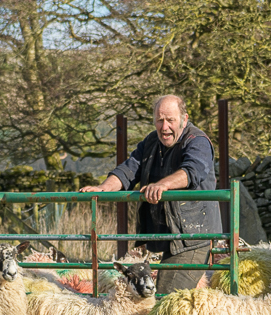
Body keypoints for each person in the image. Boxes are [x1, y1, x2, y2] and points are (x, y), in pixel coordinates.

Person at [81, 94, 220, 291]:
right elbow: (129, 170)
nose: (164, 127)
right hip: (170, 237)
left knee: (166, 293)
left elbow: (193, 171)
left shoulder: (197, 141)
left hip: (193, 238)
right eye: (160, 120)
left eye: (170, 120)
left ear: (184, 119)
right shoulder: (151, 142)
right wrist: (103, 188)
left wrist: (162, 185)